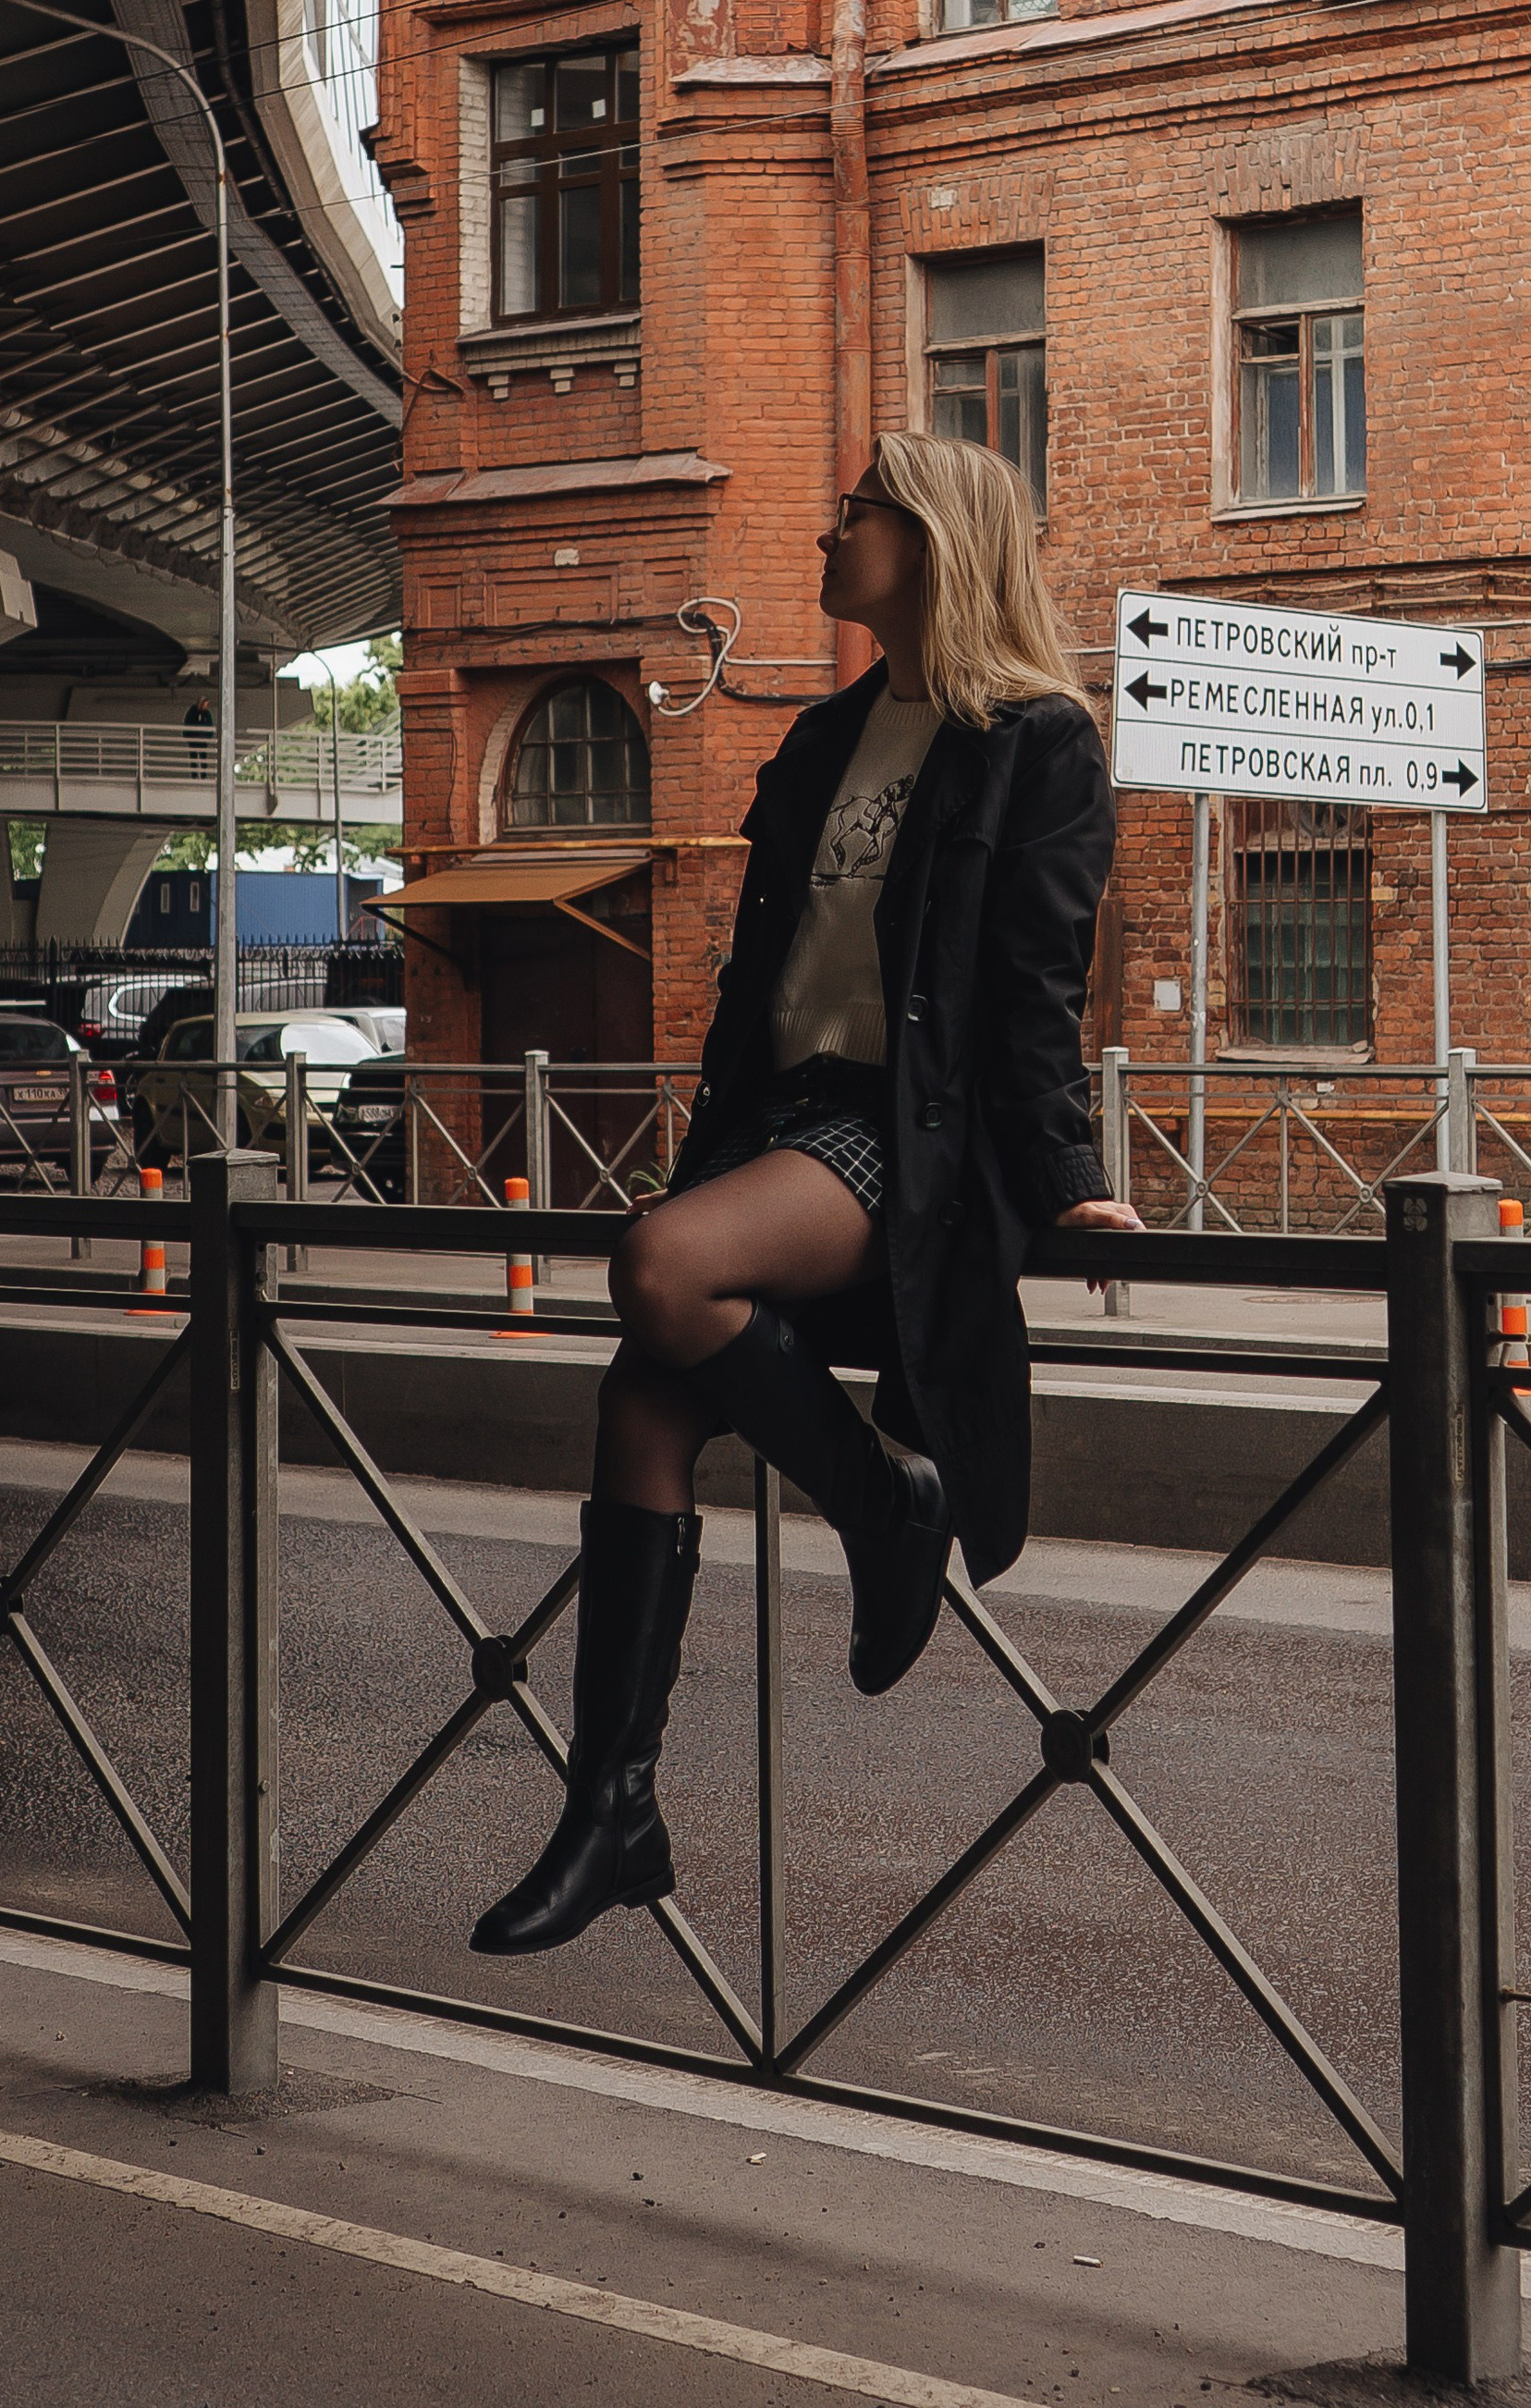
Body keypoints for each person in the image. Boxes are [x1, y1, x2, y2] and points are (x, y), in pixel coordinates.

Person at [471, 430, 1142, 1956]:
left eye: (856, 516)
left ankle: (885, 1500)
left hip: (906, 1135)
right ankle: (610, 1812)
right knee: (642, 1404)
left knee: (663, 1267)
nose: (827, 539)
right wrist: (717, 1148)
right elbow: (759, 974)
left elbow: (1036, 986)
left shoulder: (1036, 741)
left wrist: (1068, 1181)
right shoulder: (828, 734)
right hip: (780, 1123)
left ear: (934, 541)